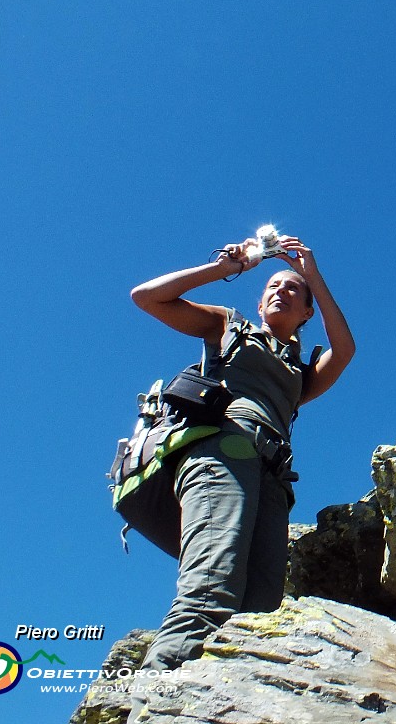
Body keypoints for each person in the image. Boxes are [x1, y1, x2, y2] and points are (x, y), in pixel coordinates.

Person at [127, 233, 355, 688]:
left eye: (293, 289)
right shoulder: (228, 326)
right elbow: (147, 297)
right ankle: (158, 691)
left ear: (307, 311)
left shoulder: (300, 371)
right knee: (212, 586)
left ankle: (228, 697)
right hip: (220, 455)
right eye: (272, 285)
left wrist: (312, 273)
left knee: (260, 609)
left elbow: (344, 349)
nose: (280, 290)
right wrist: (227, 268)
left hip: (273, 480)